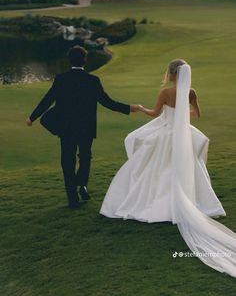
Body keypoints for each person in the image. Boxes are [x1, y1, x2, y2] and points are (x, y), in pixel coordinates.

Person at [100, 59, 236, 278]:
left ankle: (158, 201)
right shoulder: (190, 92)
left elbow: (154, 113)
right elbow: (195, 114)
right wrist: (185, 111)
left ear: (172, 73)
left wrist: (141, 108)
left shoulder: (165, 93)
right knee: (186, 167)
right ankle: (191, 200)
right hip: (182, 135)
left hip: (166, 133)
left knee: (154, 167)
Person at [26, 46, 139, 209]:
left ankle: (73, 199)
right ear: (84, 60)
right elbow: (107, 102)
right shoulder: (93, 80)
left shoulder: (61, 79)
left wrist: (32, 117)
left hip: (66, 129)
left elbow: (47, 100)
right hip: (86, 128)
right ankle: (81, 184)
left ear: (69, 60)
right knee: (85, 158)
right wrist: (128, 108)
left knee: (67, 161)